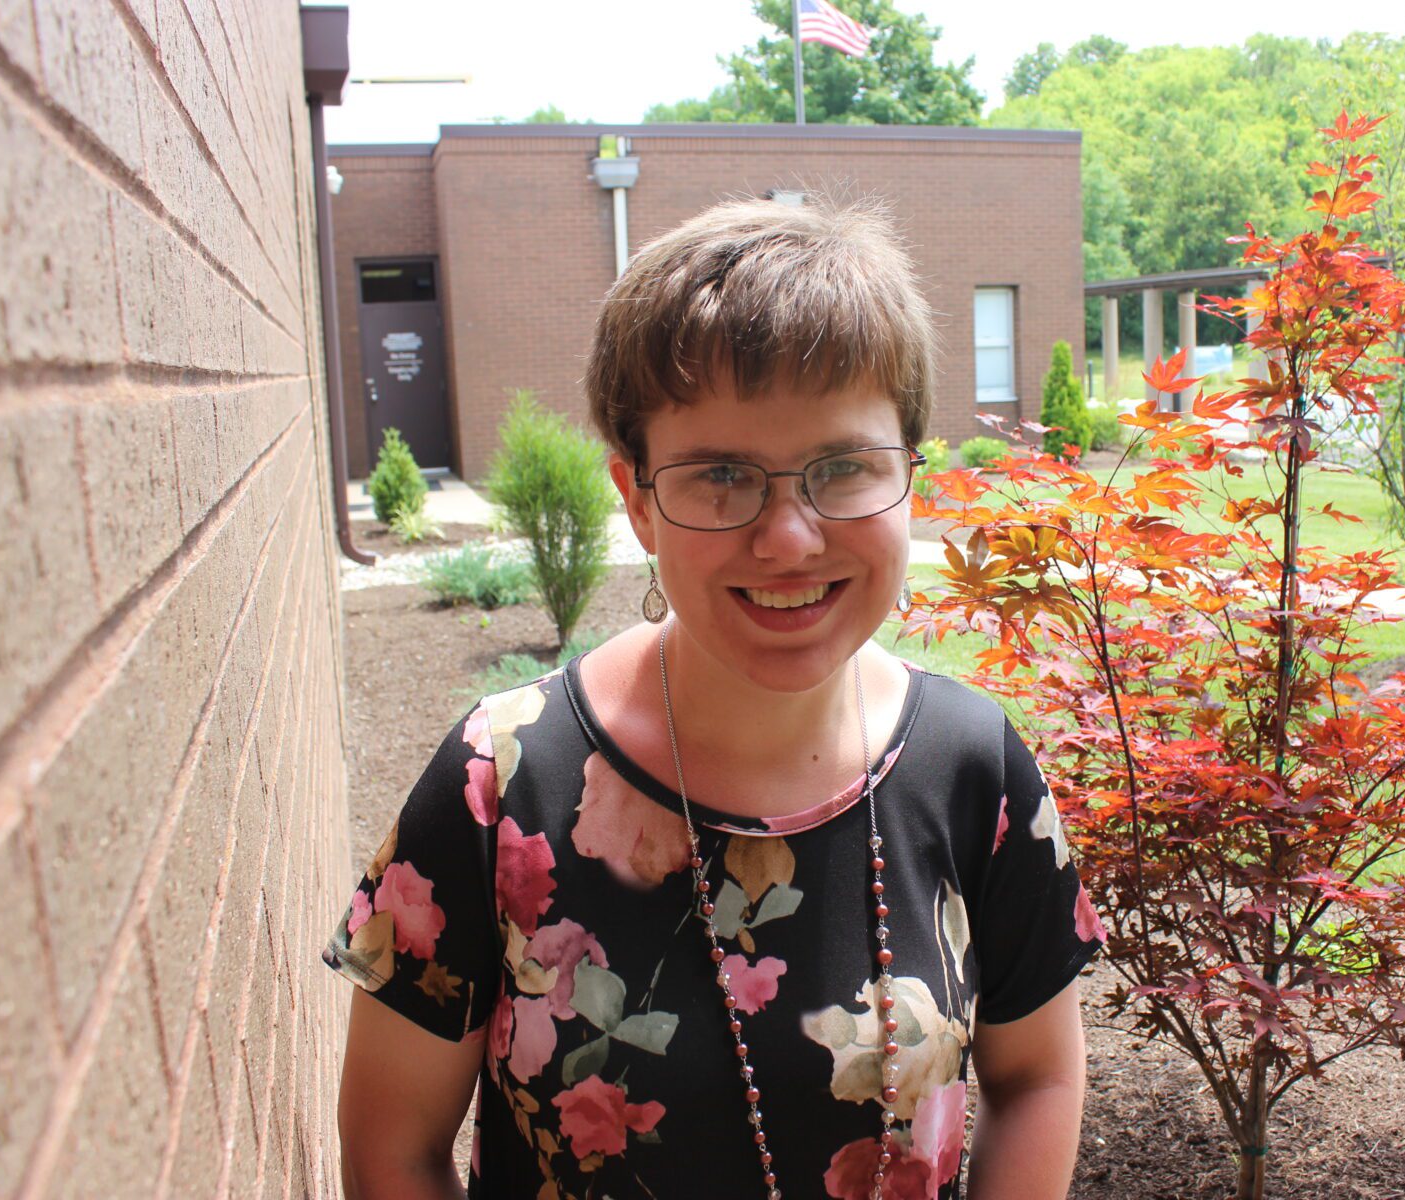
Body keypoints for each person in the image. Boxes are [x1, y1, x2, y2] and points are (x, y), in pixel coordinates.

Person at [324, 196, 1106, 1200]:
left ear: (913, 471)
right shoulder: (497, 787)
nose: (789, 538)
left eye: (842, 468)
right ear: (638, 500)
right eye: (723, 476)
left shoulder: (976, 769)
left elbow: (1036, 1075)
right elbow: (394, 1150)